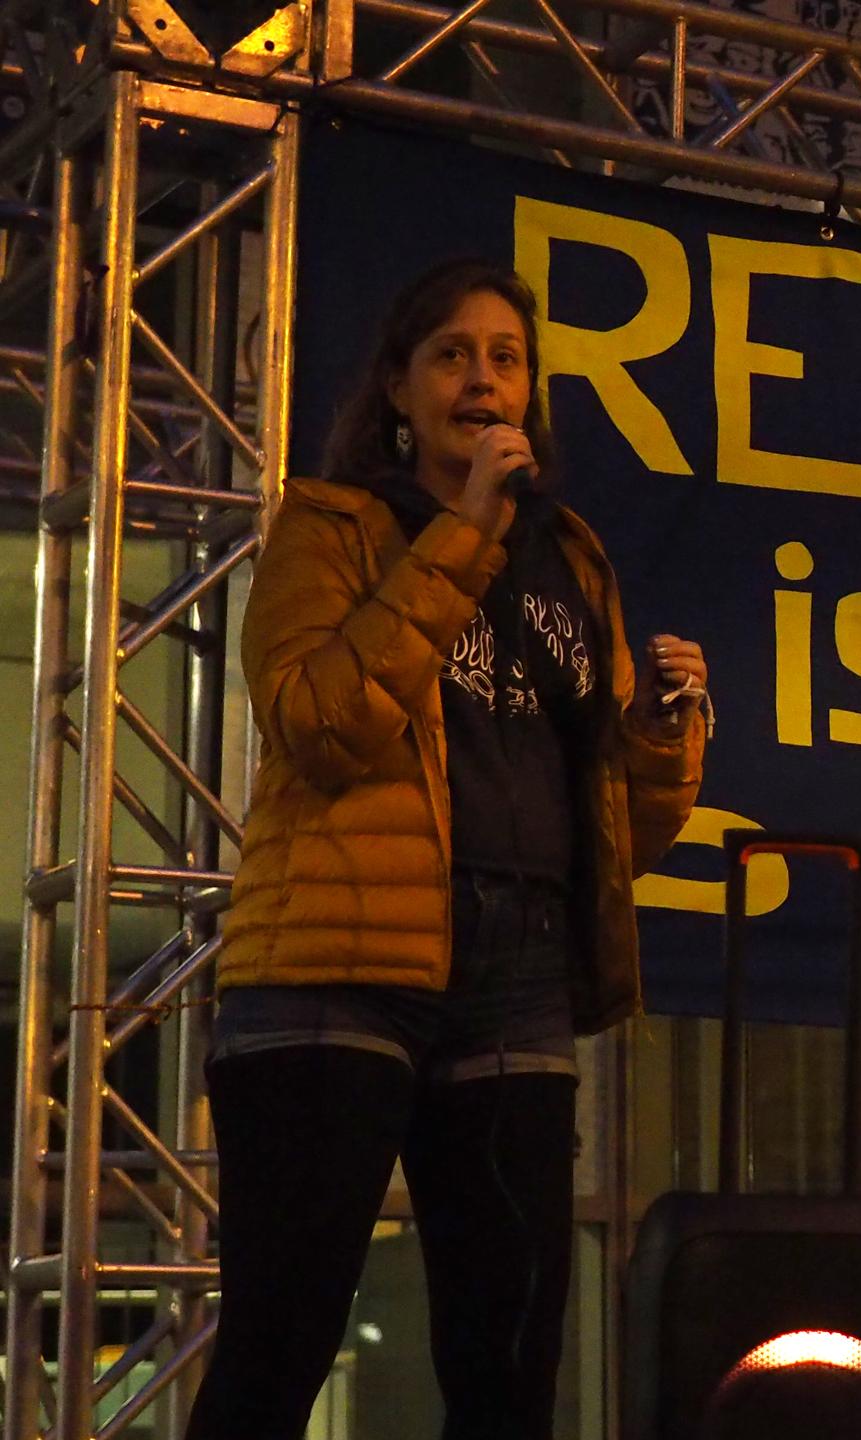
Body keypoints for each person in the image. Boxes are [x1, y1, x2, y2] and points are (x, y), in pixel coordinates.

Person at [185, 258, 709, 1439]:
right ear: (399, 391)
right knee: (278, 1347)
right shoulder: (329, 526)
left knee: (510, 1364)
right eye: (453, 356)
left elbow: (620, 836)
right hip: (335, 964)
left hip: (518, 970)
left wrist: (663, 735)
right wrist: (462, 533)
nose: (483, 378)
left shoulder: (570, 556)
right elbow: (323, 723)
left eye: (506, 359)